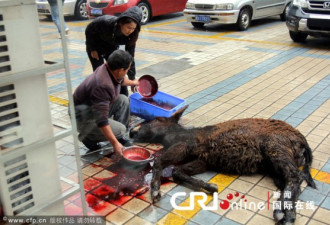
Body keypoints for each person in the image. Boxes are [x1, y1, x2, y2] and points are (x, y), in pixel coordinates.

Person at [73, 50, 139, 155]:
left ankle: (119, 137)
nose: (127, 72)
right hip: (82, 118)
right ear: (120, 70)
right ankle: (88, 138)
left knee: (123, 100)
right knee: (121, 129)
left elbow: (121, 80)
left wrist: (134, 82)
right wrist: (114, 144)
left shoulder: (108, 68)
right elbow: (102, 120)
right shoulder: (103, 85)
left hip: (91, 109)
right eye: (127, 70)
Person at [85, 6, 142, 96]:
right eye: (128, 27)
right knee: (100, 74)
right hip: (95, 45)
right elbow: (89, 29)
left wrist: (132, 79)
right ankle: (102, 96)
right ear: (121, 23)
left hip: (110, 47)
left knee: (118, 71)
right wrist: (92, 48)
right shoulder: (106, 22)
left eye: (133, 28)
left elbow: (130, 58)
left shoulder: (132, 36)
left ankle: (124, 97)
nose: (130, 31)